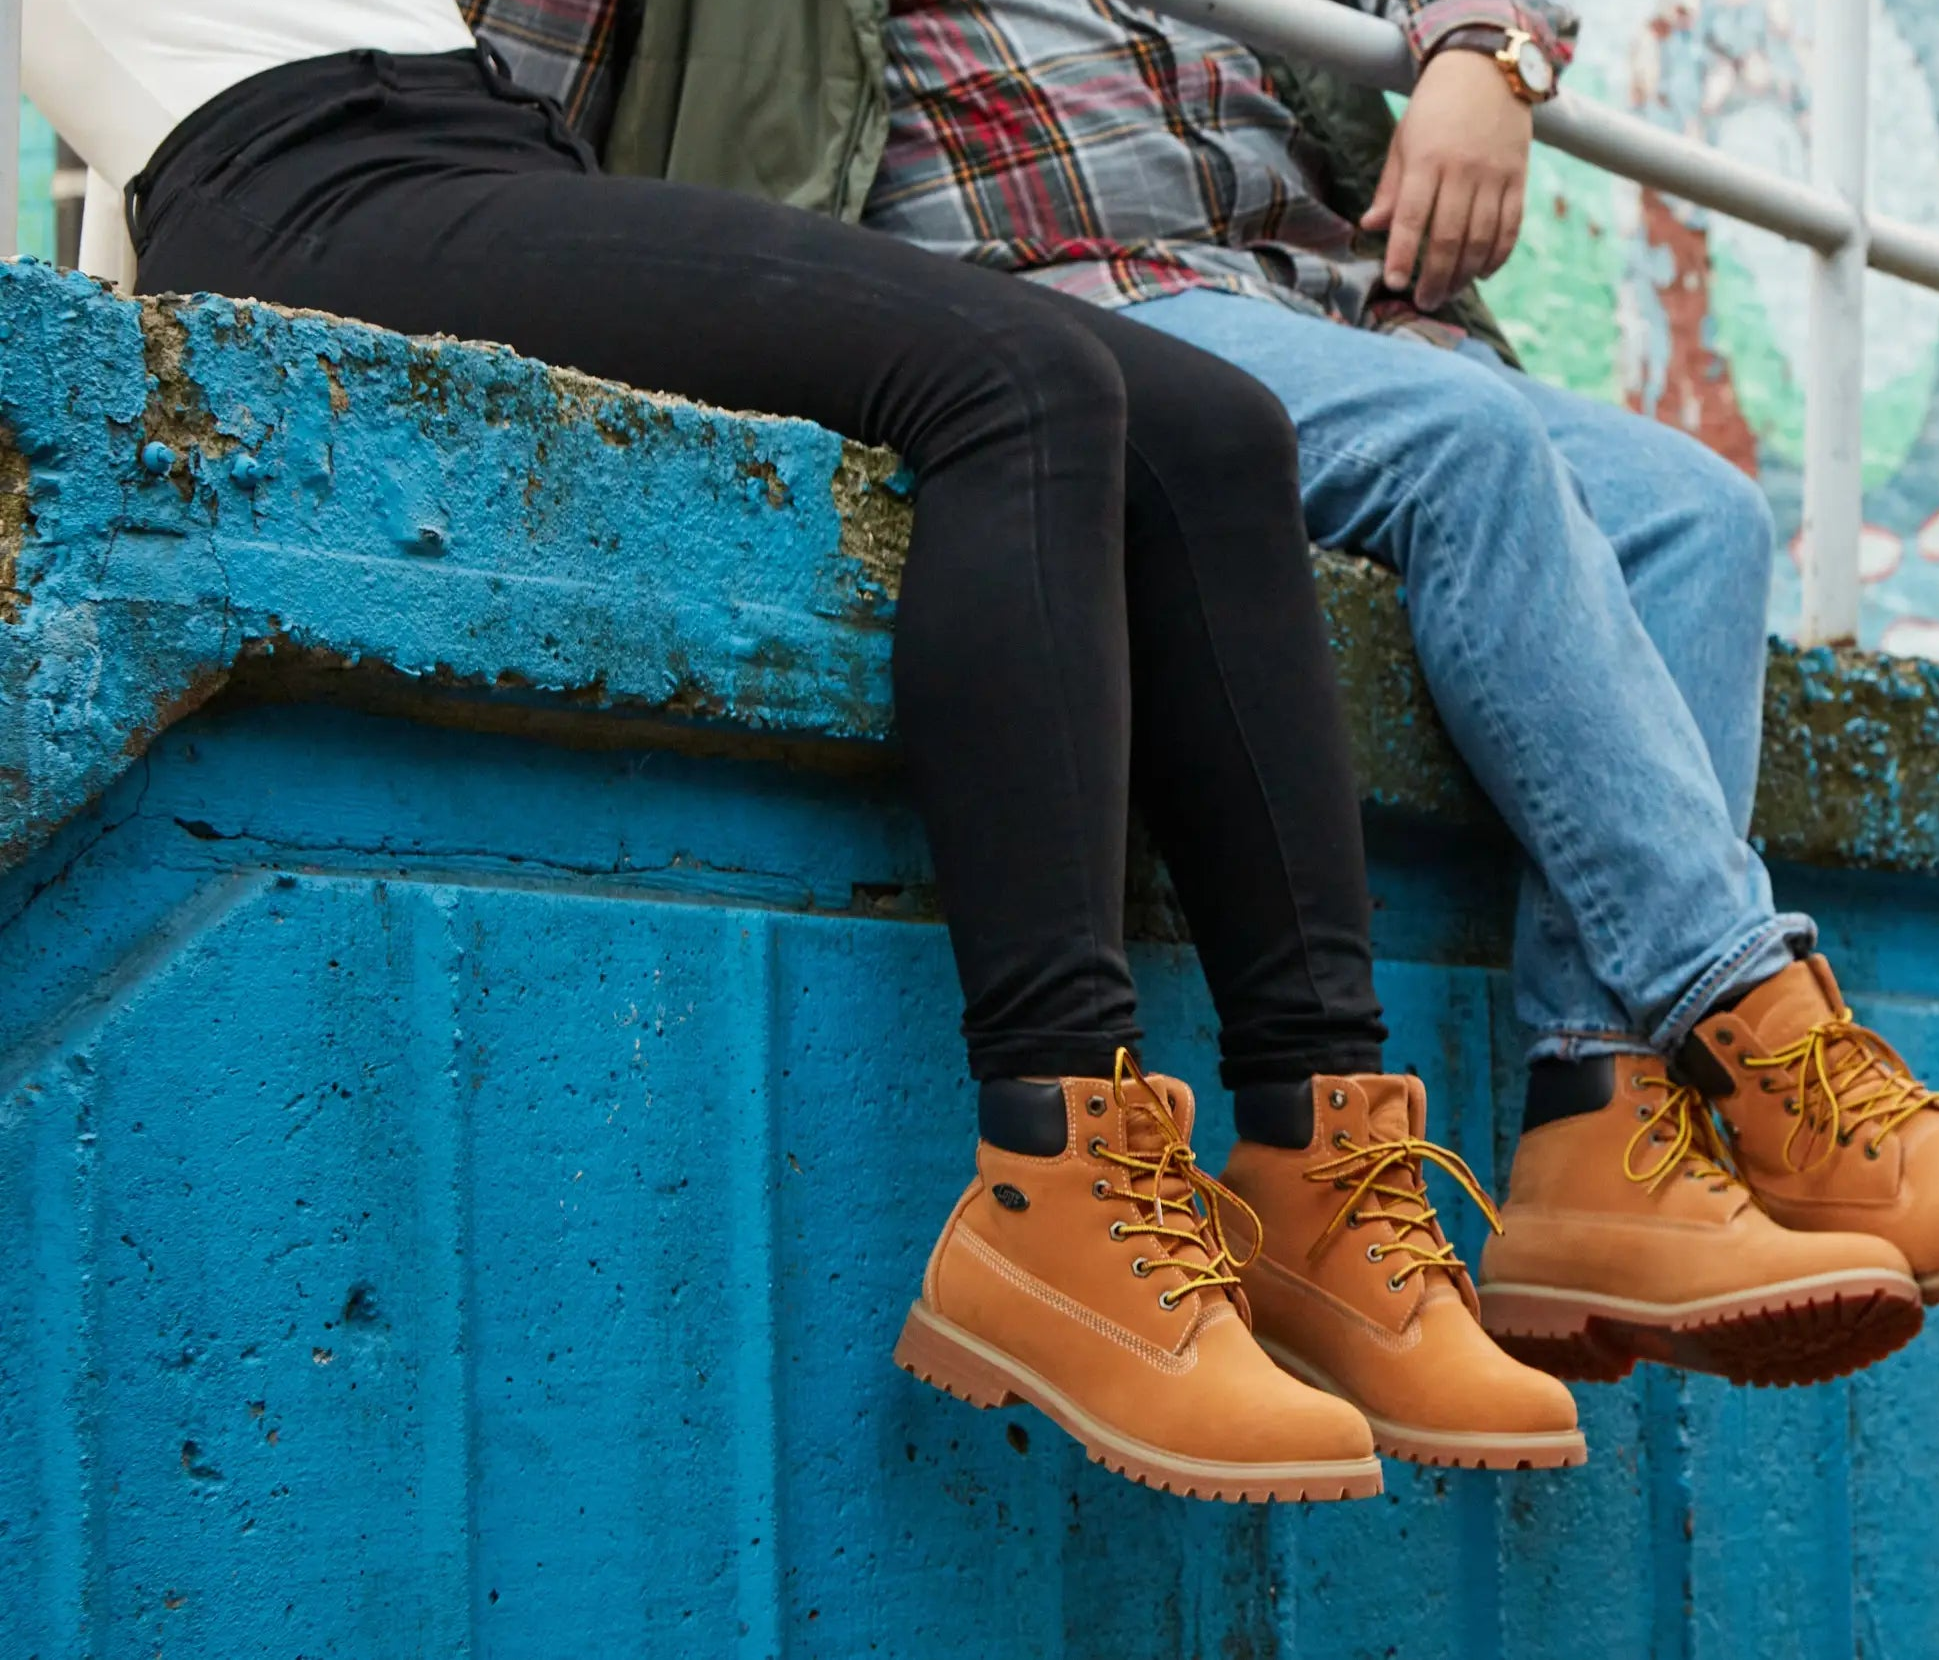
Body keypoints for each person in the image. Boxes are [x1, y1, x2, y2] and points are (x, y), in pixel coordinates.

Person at [25, 0, 1597, 1504]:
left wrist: (1488, 46)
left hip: (489, 145)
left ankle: (1316, 1159)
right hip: (296, 177)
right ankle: (1052, 1172)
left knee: (1211, 428)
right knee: (1024, 384)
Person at [607, 0, 1939, 1394]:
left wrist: (1487, 51)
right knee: (1461, 449)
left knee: (1694, 514)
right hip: (1047, 298)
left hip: (1321, 302)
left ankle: (1602, 1131)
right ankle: (1756, 1029)